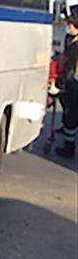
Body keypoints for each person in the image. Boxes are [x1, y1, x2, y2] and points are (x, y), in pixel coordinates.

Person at [55, 13, 78, 158]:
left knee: (71, 114)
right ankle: (66, 128)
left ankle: (69, 149)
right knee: (68, 110)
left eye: (69, 25)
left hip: (75, 84)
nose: (66, 27)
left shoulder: (76, 45)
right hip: (72, 82)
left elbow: (69, 66)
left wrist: (60, 83)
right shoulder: (70, 39)